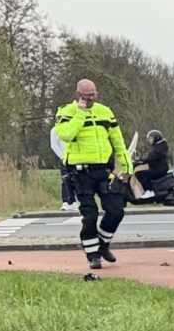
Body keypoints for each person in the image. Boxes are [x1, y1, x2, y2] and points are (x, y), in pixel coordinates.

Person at [51, 78, 131, 270]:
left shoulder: (105, 111)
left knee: (116, 210)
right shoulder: (66, 112)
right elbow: (66, 135)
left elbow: (118, 141)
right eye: (87, 96)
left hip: (103, 170)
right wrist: (80, 113)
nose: (92, 98)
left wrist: (127, 168)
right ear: (78, 95)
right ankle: (92, 255)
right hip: (80, 173)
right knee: (90, 215)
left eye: (94, 94)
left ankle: (103, 244)